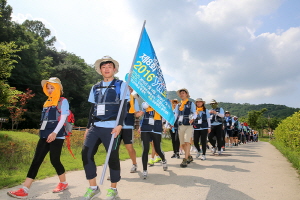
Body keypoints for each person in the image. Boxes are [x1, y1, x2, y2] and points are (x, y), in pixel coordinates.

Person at [7, 77, 70, 199]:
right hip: (44, 134)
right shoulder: (46, 102)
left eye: (52, 87)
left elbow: (63, 118)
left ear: (58, 88)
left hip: (57, 135)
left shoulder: (63, 101)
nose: (50, 90)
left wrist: (55, 133)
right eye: (48, 88)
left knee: (54, 160)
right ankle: (25, 189)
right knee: (36, 160)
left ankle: (63, 183)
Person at [81, 56, 129, 200]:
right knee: (86, 154)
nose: (106, 69)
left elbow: (124, 106)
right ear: (100, 70)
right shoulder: (95, 87)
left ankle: (113, 189)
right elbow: (92, 109)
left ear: (114, 69)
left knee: (112, 157)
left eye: (109, 66)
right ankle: (93, 187)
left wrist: (120, 124)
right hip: (95, 127)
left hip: (112, 128)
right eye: (104, 67)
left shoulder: (122, 85)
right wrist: (88, 127)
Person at [139, 102, 167, 179]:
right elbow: (144, 106)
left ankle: (163, 160)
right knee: (145, 149)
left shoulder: (160, 103)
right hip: (145, 128)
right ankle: (144, 170)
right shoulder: (145, 102)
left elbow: (164, 116)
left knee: (157, 149)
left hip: (156, 128)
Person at [120, 87, 143, 173]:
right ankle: (114, 170)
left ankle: (134, 164)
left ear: (132, 90)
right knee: (113, 149)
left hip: (127, 126)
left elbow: (136, 114)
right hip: (116, 126)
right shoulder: (117, 98)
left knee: (129, 148)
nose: (128, 89)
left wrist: (139, 114)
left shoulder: (134, 100)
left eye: (130, 88)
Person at [174, 88, 196, 168]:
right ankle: (189, 156)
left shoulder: (191, 104)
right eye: (181, 93)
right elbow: (175, 114)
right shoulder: (178, 105)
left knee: (187, 142)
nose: (182, 94)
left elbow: (194, 112)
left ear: (187, 94)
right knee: (182, 144)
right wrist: (171, 122)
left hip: (188, 125)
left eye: (183, 93)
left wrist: (193, 118)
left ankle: (185, 159)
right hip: (180, 125)